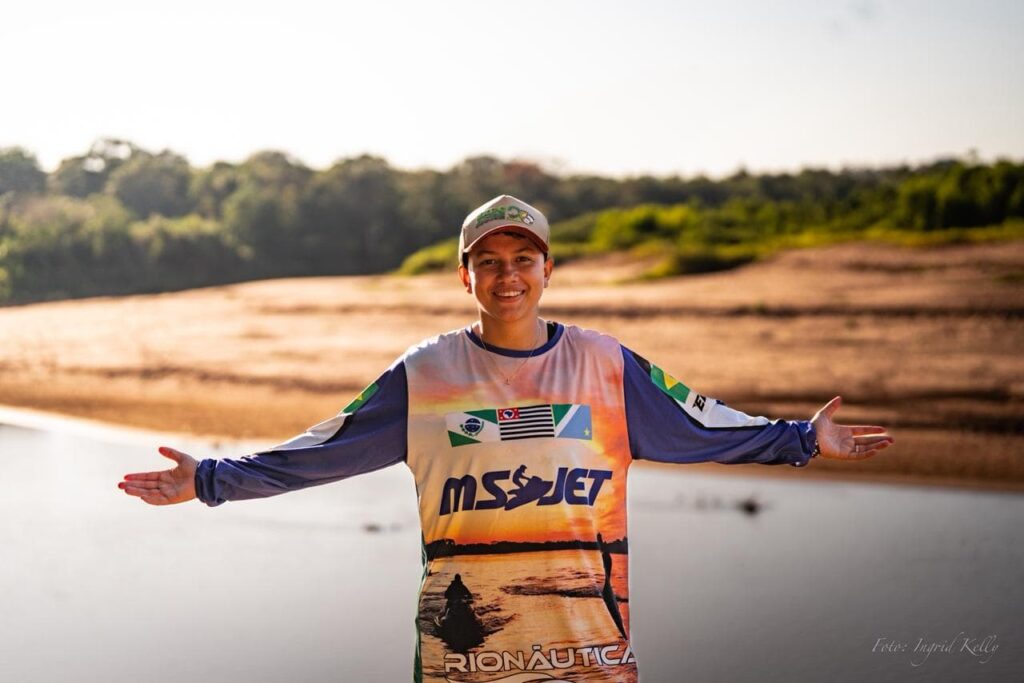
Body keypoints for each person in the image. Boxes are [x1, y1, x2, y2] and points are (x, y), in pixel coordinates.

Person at [118, 194, 894, 682]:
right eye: (489, 262)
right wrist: (210, 478)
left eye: (523, 258)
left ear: (548, 269)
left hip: (589, 651)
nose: (507, 276)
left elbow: (702, 425)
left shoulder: (604, 364)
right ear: (465, 277)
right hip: (464, 657)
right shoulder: (424, 373)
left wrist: (801, 437)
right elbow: (323, 448)